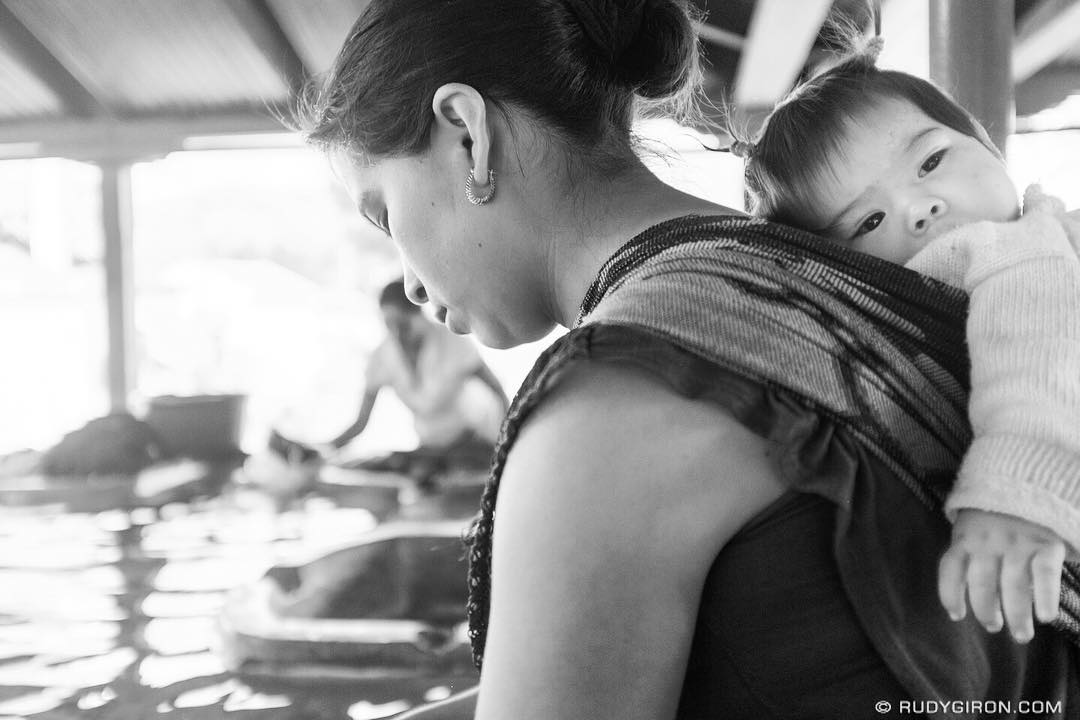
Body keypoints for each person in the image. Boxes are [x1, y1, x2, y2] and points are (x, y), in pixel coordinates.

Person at [294, 1, 1080, 718]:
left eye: (385, 214)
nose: (409, 283)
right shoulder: (827, 259)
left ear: (467, 131)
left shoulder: (617, 405)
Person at [729, 38, 1080, 646]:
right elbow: (1036, 341)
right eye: (868, 223)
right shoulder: (1029, 247)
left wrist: (1018, 492)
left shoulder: (1024, 248)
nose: (919, 209)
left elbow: (1037, 341)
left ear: (983, 137)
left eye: (931, 162)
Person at [326, 279, 508, 483]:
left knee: (457, 475)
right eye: (389, 326)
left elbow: (497, 389)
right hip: (429, 450)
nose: (397, 334)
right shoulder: (382, 356)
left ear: (419, 314)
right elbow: (360, 423)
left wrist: (506, 439)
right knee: (382, 470)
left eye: (403, 325)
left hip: (474, 441)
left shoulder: (453, 341)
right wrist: (324, 450)